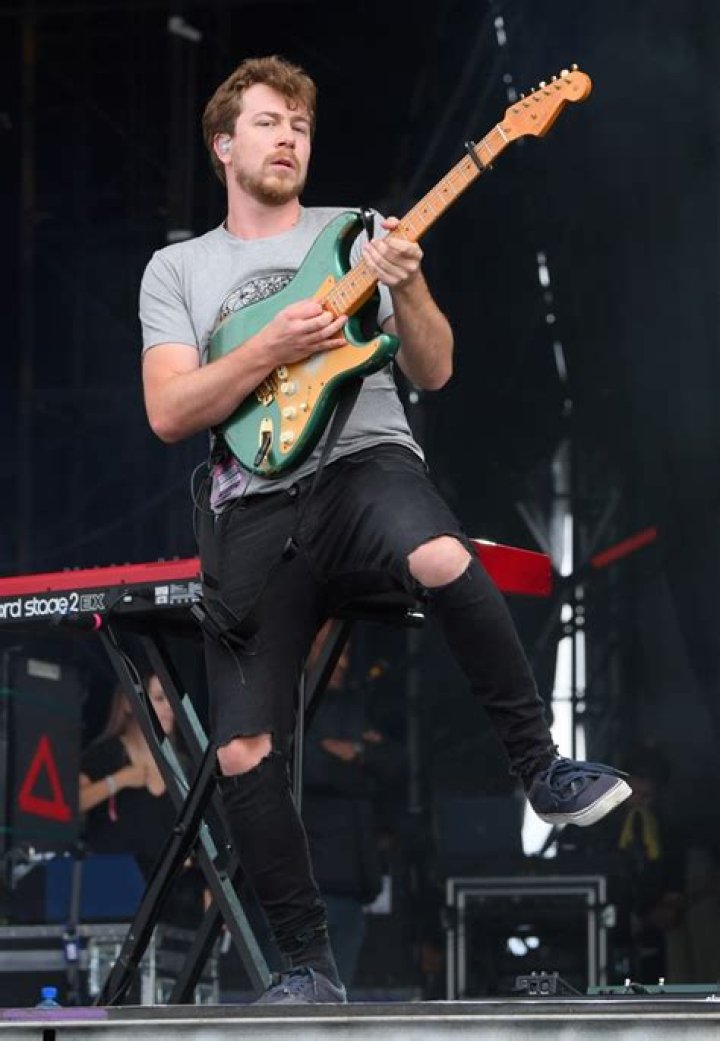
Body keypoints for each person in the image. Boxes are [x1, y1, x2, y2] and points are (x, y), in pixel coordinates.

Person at [139, 54, 631, 1004]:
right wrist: (274, 344)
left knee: (443, 553)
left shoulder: (359, 233)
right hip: (251, 500)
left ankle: (544, 771)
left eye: (301, 125)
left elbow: (434, 369)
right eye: (270, 122)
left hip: (364, 464)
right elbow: (168, 411)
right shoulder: (180, 269)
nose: (289, 138)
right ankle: (307, 965)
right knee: (240, 749)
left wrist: (409, 288)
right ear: (223, 145)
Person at [302, 622, 405, 991]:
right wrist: (360, 766)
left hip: (352, 882)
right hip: (305, 883)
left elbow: (395, 763)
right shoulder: (290, 705)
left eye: (344, 652)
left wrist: (357, 752)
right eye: (330, 649)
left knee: (338, 997)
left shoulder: (356, 703)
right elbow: (305, 769)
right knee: (295, 997)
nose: (342, 662)